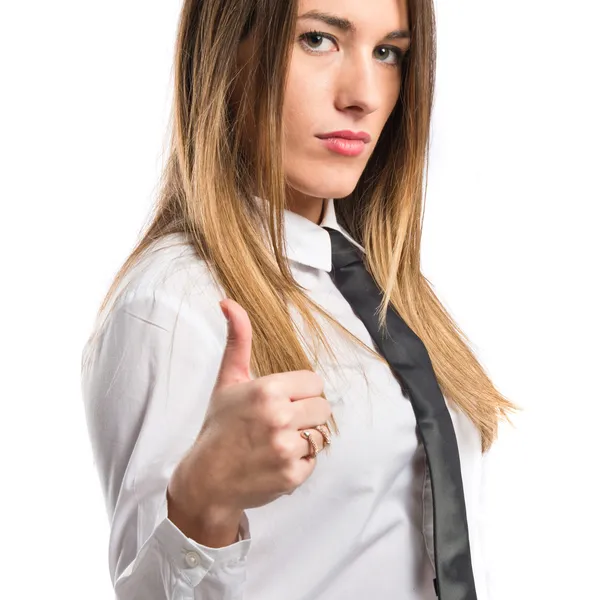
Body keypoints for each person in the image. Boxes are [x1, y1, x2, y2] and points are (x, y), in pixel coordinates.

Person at [80, 0, 519, 599]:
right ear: (225, 51)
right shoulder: (175, 303)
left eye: (388, 51)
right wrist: (203, 505)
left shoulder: (378, 285)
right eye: (318, 40)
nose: (363, 94)